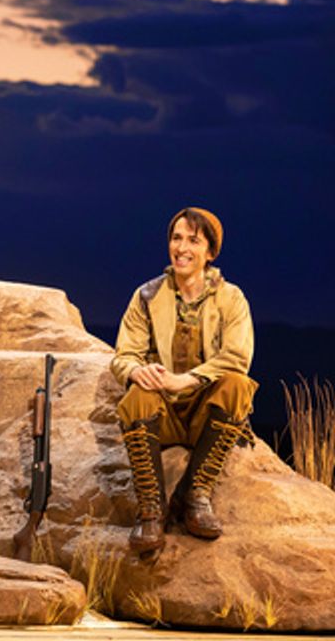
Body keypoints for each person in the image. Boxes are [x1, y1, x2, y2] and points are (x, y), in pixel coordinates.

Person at [111, 207, 257, 557]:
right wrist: (135, 371)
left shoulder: (231, 298)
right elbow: (123, 355)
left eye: (193, 240)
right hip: (162, 416)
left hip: (203, 414)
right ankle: (151, 509)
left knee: (237, 385)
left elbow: (237, 357)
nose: (182, 247)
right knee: (137, 396)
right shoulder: (146, 296)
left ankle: (195, 495)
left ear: (210, 252)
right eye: (177, 238)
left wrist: (184, 380)